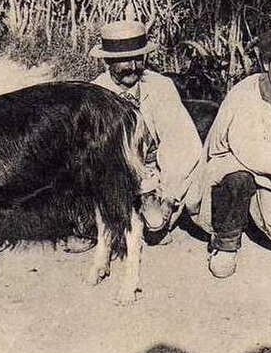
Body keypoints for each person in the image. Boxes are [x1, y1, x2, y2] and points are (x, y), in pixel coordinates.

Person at [185, 25, 271, 279]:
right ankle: (225, 242)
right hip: (236, 169)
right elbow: (252, 154)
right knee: (239, 178)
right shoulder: (245, 95)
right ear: (265, 64)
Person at [71, 20, 203, 250]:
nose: (133, 67)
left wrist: (168, 195)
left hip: (154, 174)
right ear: (107, 60)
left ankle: (147, 217)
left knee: (156, 222)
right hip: (113, 176)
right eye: (124, 60)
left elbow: (181, 142)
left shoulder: (160, 86)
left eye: (139, 58)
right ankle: (97, 224)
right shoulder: (93, 94)